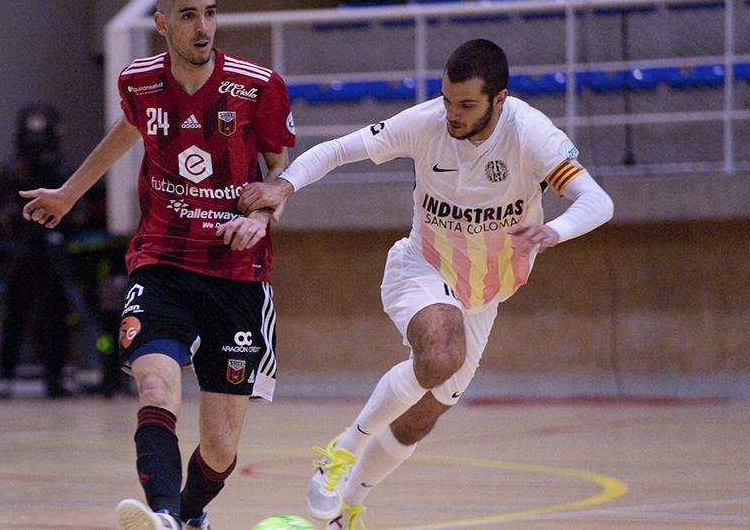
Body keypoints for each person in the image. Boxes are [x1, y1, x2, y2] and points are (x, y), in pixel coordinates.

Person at [238, 39, 614, 529]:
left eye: (466, 105)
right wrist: (284, 185)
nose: (452, 114)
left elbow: (597, 200)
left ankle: (348, 510)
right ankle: (341, 450)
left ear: (499, 100)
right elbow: (337, 150)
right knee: (439, 355)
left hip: (486, 294)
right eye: (446, 99)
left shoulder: (531, 133)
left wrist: (554, 230)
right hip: (423, 266)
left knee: (420, 419)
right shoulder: (425, 124)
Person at [18, 0, 295, 528]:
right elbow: (131, 125)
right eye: (189, 16)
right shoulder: (139, 80)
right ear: (163, 23)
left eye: (210, 13)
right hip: (162, 259)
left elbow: (280, 175)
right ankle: (164, 516)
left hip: (236, 272)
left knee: (218, 449)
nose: (203, 27)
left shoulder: (257, 86)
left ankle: (189, 514)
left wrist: (259, 219)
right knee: (154, 385)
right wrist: (71, 193)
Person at [0, 103, 74, 399]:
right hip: (20, 252)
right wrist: (10, 221)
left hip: (54, 252)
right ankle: (5, 375)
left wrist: (63, 224)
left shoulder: (62, 170)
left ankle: (55, 376)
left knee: (55, 315)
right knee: (13, 314)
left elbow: (79, 207)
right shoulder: (12, 170)